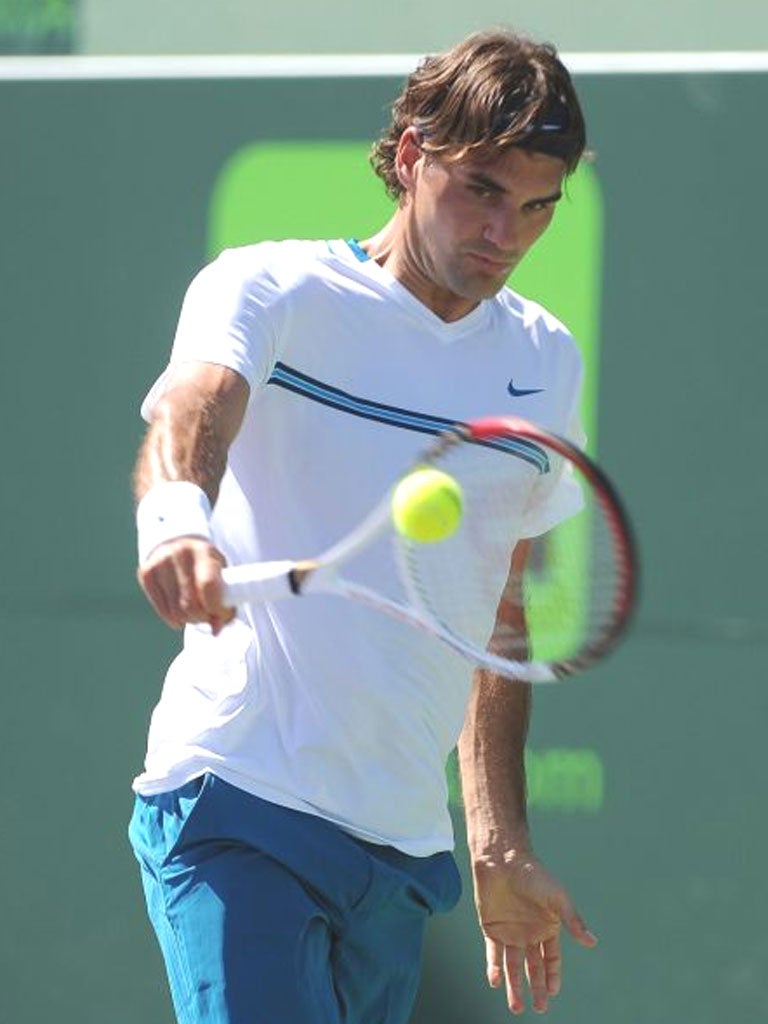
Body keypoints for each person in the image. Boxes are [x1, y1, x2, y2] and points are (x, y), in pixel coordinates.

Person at [129, 28, 598, 1024]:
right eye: (481, 190)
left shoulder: (545, 363)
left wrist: (497, 834)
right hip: (237, 801)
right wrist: (176, 518)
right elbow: (194, 408)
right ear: (416, 152)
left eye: (536, 207)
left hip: (397, 849)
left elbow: (494, 614)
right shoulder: (272, 287)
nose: (505, 234)